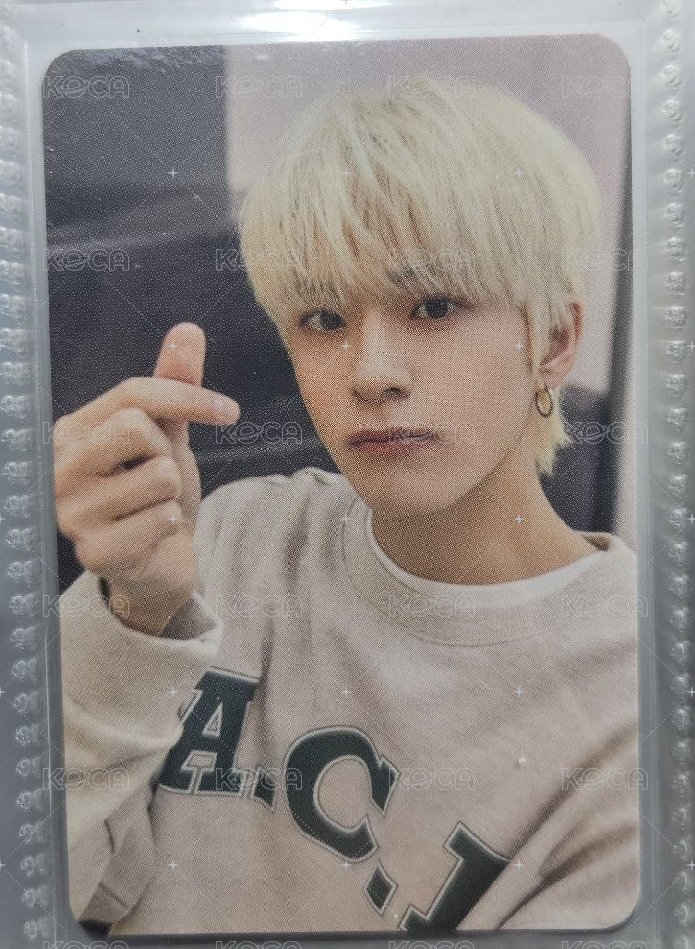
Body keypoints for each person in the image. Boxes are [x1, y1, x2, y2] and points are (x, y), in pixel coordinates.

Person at [56, 75, 639, 935]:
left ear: (552, 340)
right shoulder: (229, 540)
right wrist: (137, 616)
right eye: (323, 317)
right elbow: (58, 894)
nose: (370, 372)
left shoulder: (635, 698)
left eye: (433, 305)